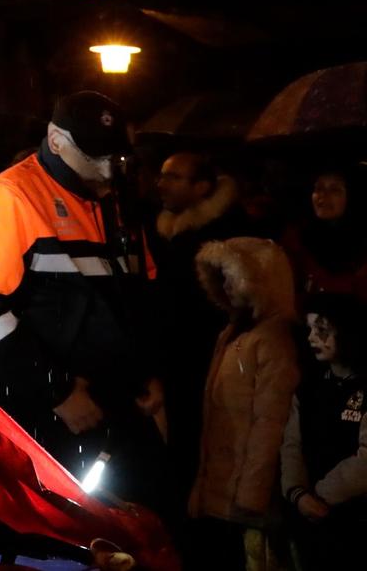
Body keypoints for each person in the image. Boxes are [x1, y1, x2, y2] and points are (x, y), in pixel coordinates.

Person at [0, 91, 169, 508]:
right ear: (55, 140)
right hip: (55, 414)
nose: (107, 167)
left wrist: (149, 372)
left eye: (114, 154)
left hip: (121, 402)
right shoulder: (8, 197)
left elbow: (140, 291)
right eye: (94, 154)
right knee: (71, 535)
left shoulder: (115, 196)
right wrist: (57, 392)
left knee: (146, 522)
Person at [149, 152, 253, 510]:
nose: (161, 184)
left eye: (174, 177)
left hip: (209, 353)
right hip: (176, 353)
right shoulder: (166, 230)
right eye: (162, 175)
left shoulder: (227, 233)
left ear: (202, 186)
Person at [189, 237, 299, 571]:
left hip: (248, 500)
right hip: (225, 489)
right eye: (221, 277)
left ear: (260, 280)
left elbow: (270, 422)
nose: (225, 285)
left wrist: (251, 497)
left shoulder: (273, 340)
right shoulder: (233, 333)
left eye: (233, 276)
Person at [280, 293, 366, 568]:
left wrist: (319, 495)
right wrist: (298, 494)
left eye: (322, 330)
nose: (311, 338)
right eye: (310, 329)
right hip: (311, 522)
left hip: (355, 522)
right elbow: (291, 444)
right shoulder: (309, 388)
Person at [281, 168, 367, 302]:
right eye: (318, 188)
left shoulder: (362, 247)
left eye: (335, 190)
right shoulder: (296, 239)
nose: (322, 195)